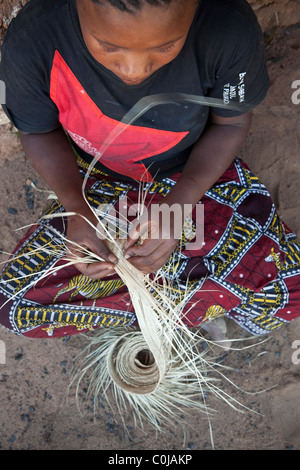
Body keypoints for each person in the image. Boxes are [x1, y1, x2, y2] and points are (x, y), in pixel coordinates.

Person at [0, 0, 299, 339]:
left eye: (165, 47)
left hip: (191, 176)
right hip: (91, 182)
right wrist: (76, 208)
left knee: (287, 293)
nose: (134, 70)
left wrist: (180, 204)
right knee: (15, 304)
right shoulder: (32, 41)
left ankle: (161, 305)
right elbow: (37, 131)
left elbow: (230, 125)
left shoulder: (228, 30)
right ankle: (173, 307)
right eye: (108, 46)